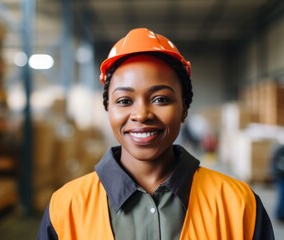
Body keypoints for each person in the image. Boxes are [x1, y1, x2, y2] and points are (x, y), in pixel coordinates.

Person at [38, 28, 274, 239]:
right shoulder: (65, 207)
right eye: (124, 100)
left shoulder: (239, 205)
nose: (141, 114)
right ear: (108, 109)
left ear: (183, 108)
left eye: (160, 99)